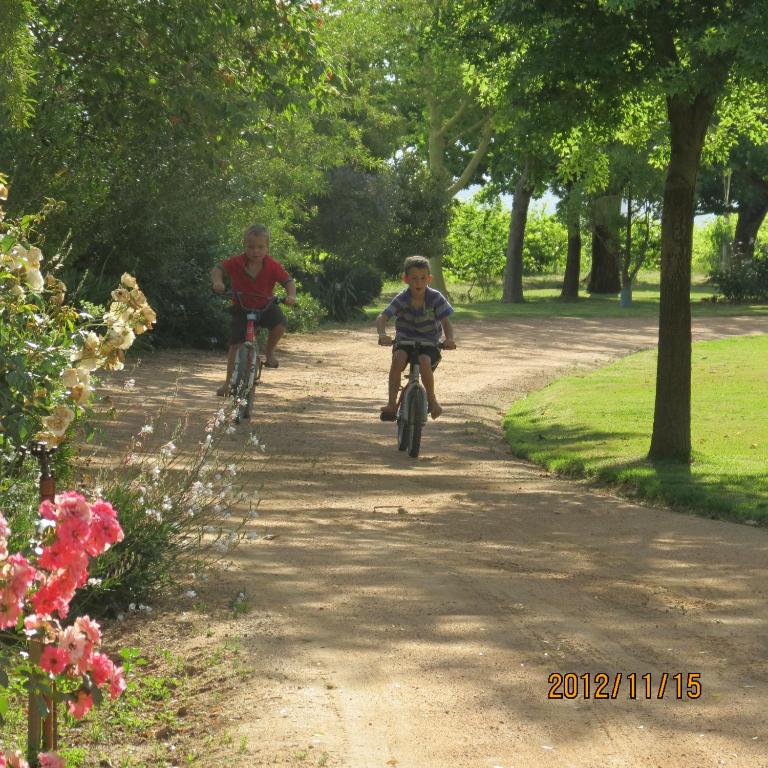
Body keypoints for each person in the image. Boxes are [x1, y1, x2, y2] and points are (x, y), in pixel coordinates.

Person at [211, 224, 296, 396]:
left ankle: (269, 352)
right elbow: (218, 269)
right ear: (244, 246)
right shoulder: (236, 262)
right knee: (235, 345)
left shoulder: (272, 265)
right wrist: (218, 282)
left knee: (279, 324)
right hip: (241, 307)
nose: (255, 251)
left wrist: (291, 296)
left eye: (260, 247)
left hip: (265, 306)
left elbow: (288, 282)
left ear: (267, 247)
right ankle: (228, 383)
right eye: (250, 247)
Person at [375, 255, 456, 421]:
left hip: (429, 343)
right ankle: (391, 404)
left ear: (429, 279)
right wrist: (382, 334)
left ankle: (432, 402)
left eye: (423, 278)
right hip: (405, 341)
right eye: (414, 278)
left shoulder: (435, 298)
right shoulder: (402, 298)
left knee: (425, 361)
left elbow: (446, 322)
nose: (418, 282)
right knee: (398, 358)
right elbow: (382, 317)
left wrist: (449, 339)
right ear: (405, 279)